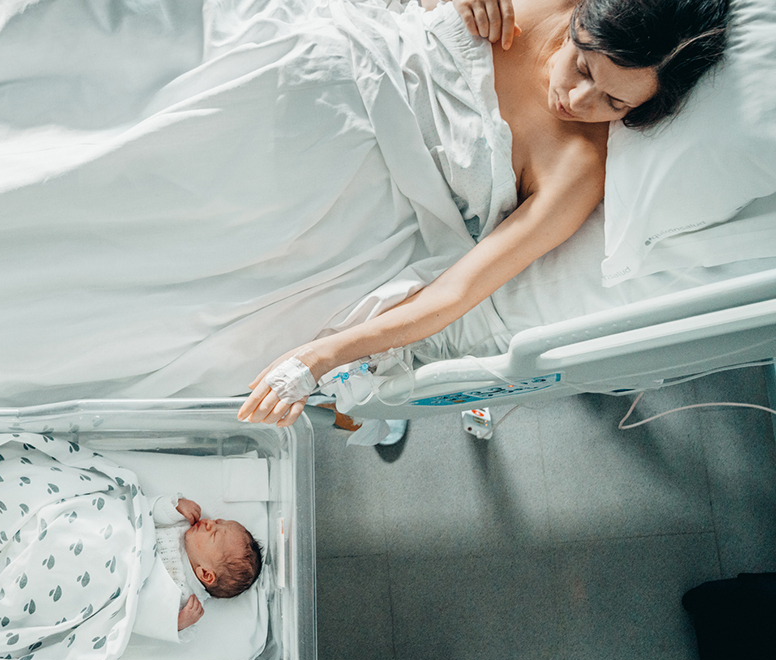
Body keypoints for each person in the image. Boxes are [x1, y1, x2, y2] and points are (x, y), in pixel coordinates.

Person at [238, 0, 732, 428]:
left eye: (615, 101)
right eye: (582, 67)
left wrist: (322, 356)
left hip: (343, 192)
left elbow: (459, 292)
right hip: (327, 67)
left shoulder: (578, 169)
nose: (576, 101)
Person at [133, 495, 263, 640]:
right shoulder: (181, 526)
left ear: (206, 574)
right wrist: (175, 507)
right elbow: (147, 513)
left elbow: (146, 620)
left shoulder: (188, 601)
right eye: (217, 522)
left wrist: (179, 622)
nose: (209, 523)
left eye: (213, 534)